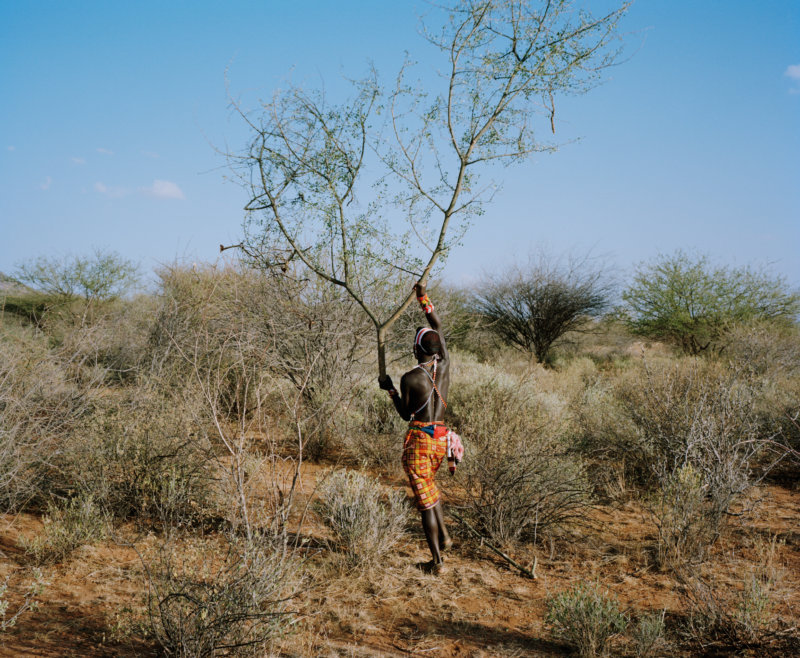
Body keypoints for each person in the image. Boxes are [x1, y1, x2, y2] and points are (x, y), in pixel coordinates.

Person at [379, 281, 453, 574]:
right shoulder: (444, 365)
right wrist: (423, 297)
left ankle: (437, 562)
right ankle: (445, 536)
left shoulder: (411, 378)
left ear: (415, 349)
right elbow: (437, 324)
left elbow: (404, 414)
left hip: (420, 441)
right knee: (430, 489)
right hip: (440, 440)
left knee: (424, 503)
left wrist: (390, 390)